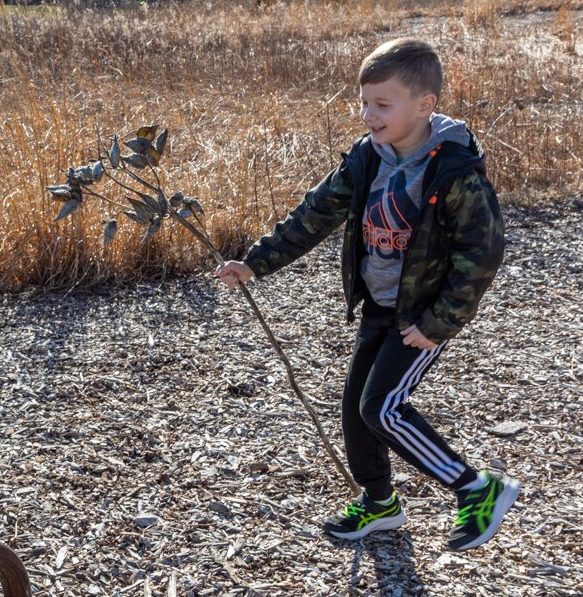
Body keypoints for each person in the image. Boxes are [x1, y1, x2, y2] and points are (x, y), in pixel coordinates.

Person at [215, 37, 517, 551]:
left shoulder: (452, 173)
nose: (368, 114)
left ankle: (475, 488)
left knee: (383, 409)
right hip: (379, 306)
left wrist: (439, 323)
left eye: (382, 104)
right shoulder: (367, 159)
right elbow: (314, 214)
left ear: (425, 106)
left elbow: (481, 254)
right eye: (364, 102)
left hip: (422, 315)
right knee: (356, 408)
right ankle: (380, 504)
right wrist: (255, 262)